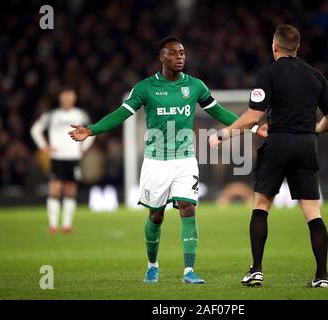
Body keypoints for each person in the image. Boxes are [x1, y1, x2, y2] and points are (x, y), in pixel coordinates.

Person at [69, 36, 267, 284]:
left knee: (188, 207)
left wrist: (252, 127)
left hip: (185, 160)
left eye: (182, 53)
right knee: (156, 215)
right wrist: (91, 129)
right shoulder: (145, 88)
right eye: (174, 53)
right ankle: (152, 265)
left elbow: (218, 111)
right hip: (155, 162)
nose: (180, 57)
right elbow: (121, 114)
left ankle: (189, 271)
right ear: (162, 57)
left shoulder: (195, 86)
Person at [209, 25, 328, 288]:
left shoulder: (267, 73)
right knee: (313, 212)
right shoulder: (316, 76)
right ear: (297, 47)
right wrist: (313, 130)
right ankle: (322, 276)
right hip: (306, 144)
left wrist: (224, 134)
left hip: (278, 143)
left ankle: (256, 270)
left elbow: (254, 116)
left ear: (274, 47)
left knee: (262, 206)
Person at [31, 87, 95, 234]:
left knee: (71, 190)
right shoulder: (52, 114)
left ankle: (67, 225)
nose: (67, 100)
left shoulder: (80, 114)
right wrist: (44, 146)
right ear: (61, 99)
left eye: (69, 97)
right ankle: (53, 225)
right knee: (54, 188)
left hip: (73, 156)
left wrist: (84, 147)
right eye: (65, 97)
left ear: (74, 99)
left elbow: (92, 129)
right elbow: (35, 129)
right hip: (57, 157)